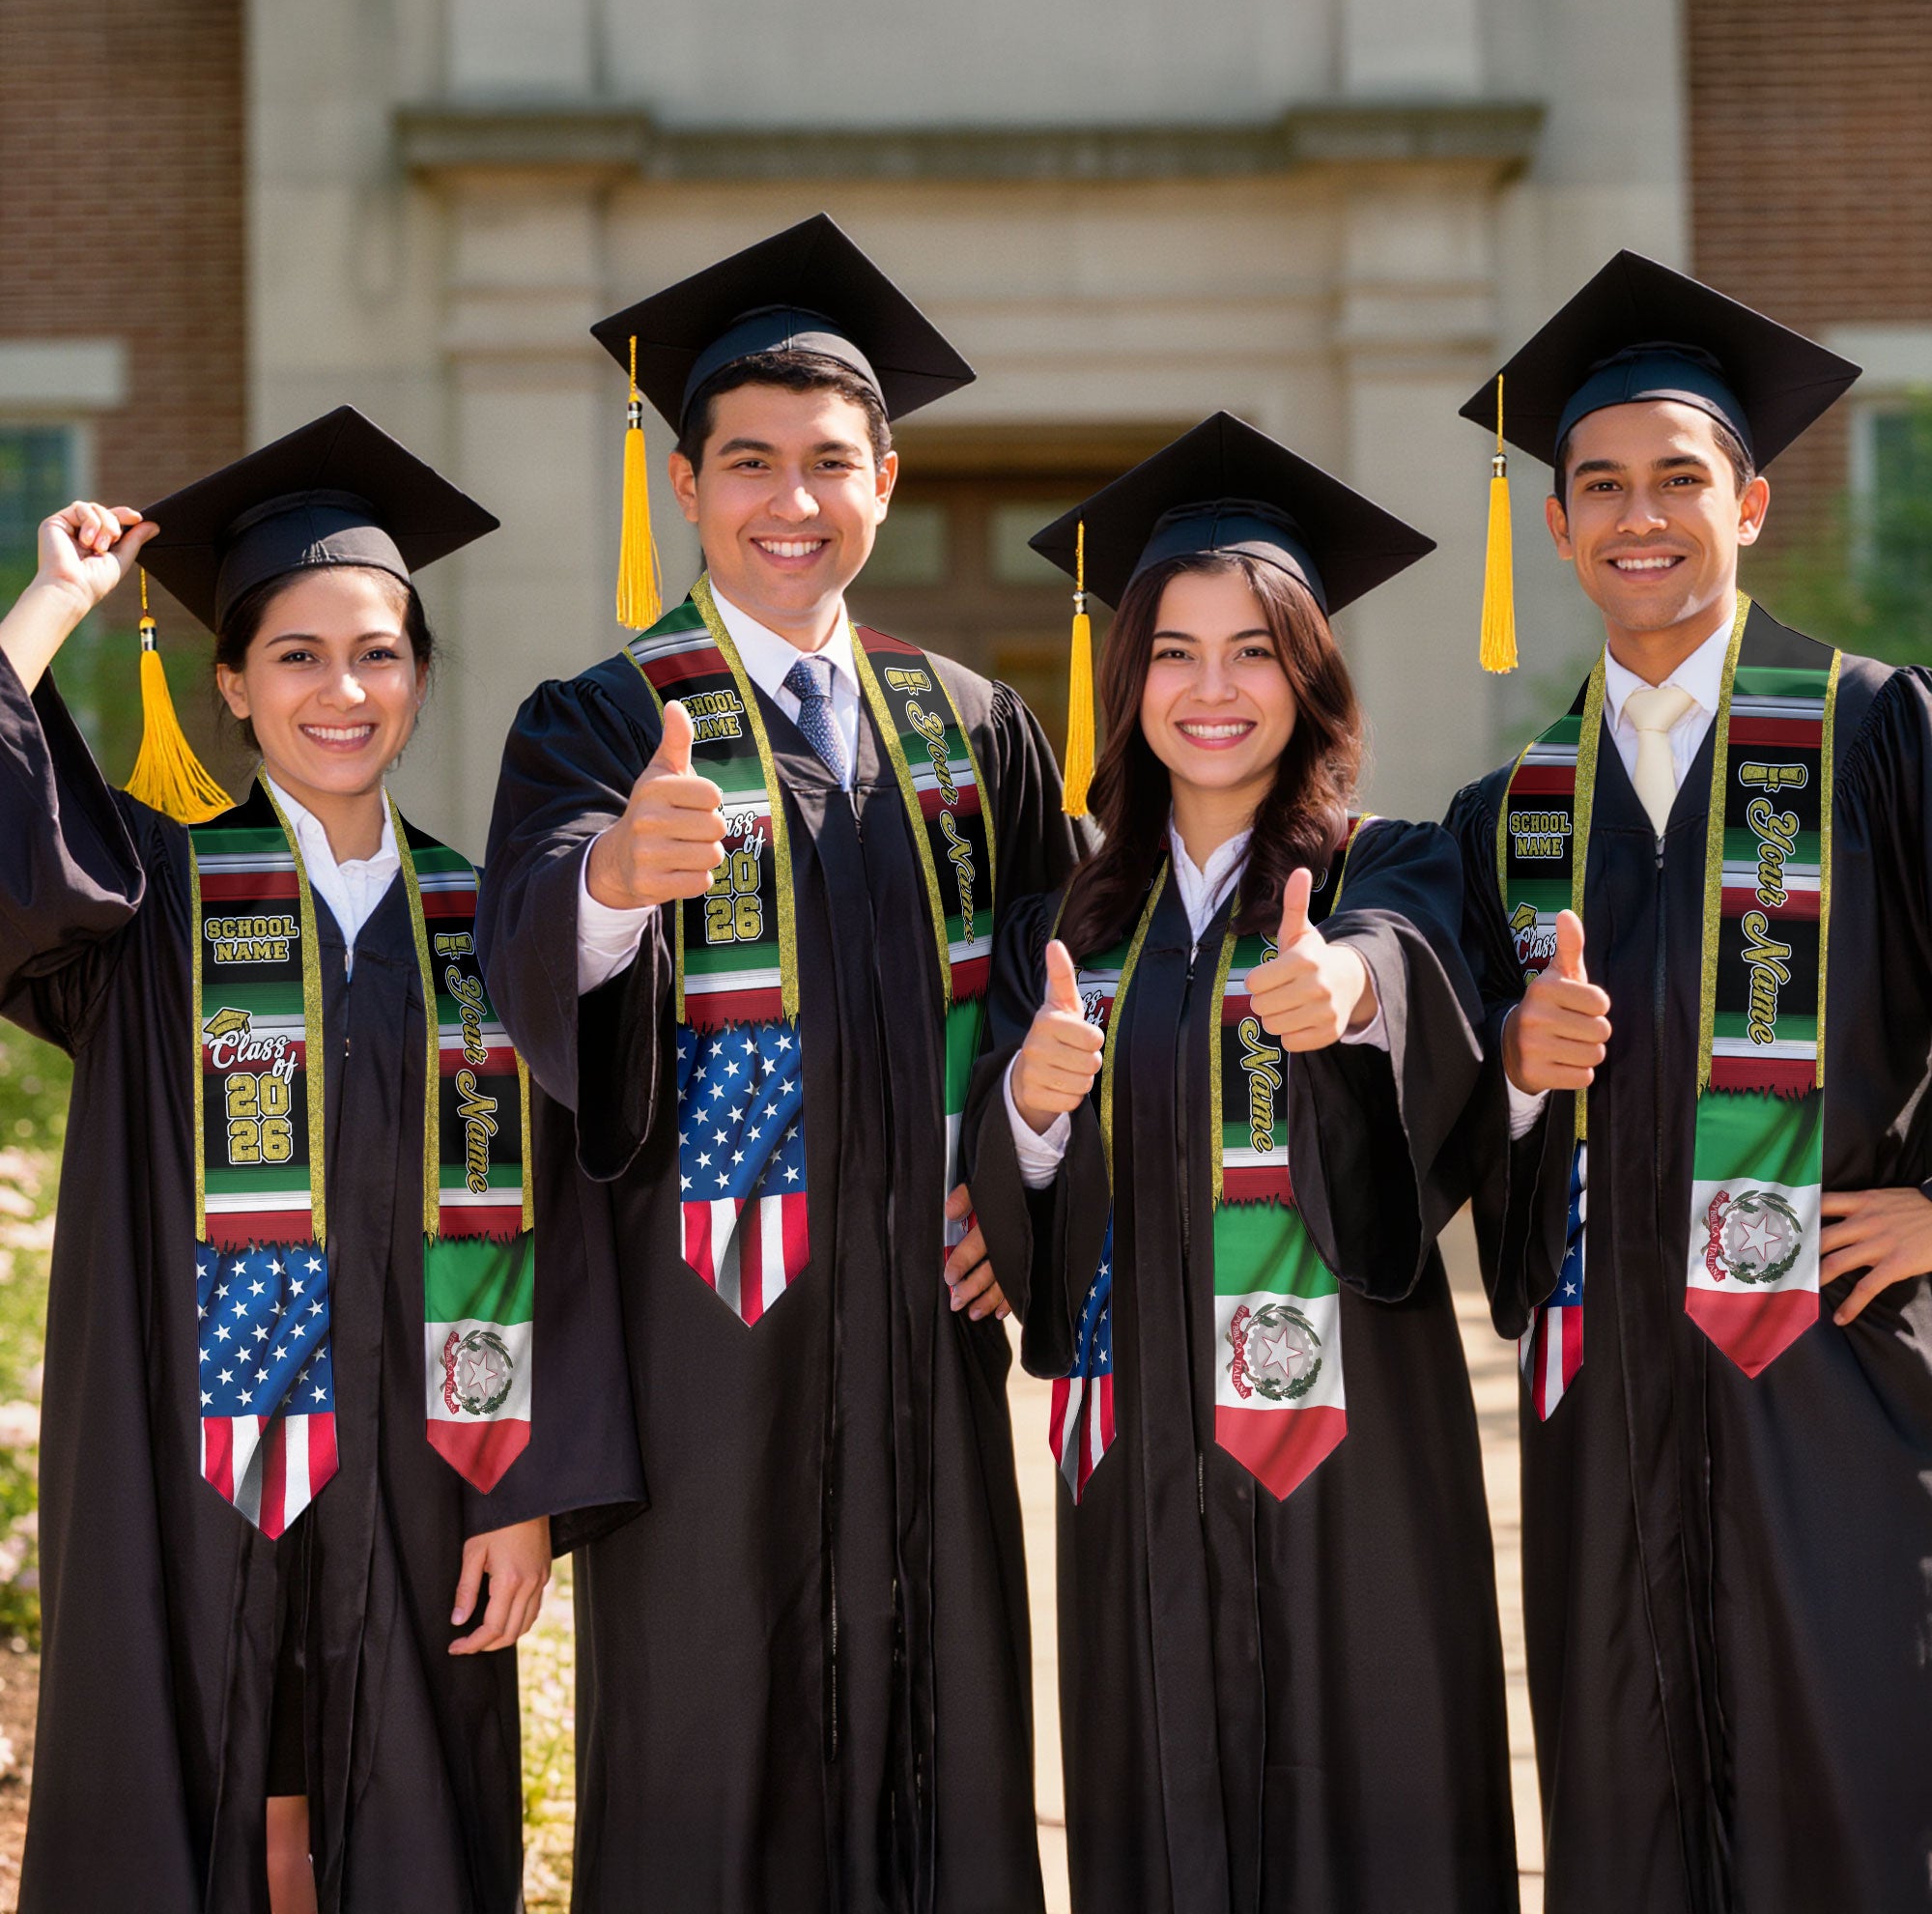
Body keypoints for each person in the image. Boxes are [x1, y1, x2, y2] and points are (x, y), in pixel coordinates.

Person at [477, 214, 1083, 1913]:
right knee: (709, 1758)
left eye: (831, 462)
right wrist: (610, 881)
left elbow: (1074, 988)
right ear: (686, 485)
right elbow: (523, 953)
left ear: (886, 479)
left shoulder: (972, 725)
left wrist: (1021, 1180)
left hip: (925, 1336)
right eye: (749, 463)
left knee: (943, 1743)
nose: (790, 501)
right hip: (706, 1348)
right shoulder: (600, 720)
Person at [0, 407, 641, 1914]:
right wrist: (51, 606)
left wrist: (526, 1487)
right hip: (186, 1463)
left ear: (419, 676)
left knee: (408, 1813)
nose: (340, 690)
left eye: (378, 652)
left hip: (431, 1469)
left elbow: (568, 1223)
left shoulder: (495, 924)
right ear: (230, 683)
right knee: (192, 1786)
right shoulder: (150, 898)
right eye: (295, 655)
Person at [964, 413, 1518, 1913]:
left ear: (1311, 674)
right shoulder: (1064, 928)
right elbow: (1015, 1194)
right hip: (1140, 1447)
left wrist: (1347, 996)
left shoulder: (1389, 866)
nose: (1214, 690)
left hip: (1355, 1453)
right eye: (1175, 652)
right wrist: (1026, 1101)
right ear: (1127, 678)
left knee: (1377, 1799)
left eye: (1256, 650)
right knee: (1162, 1801)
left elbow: (1411, 973)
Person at [1446, 251, 1932, 1913]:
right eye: (1599, 486)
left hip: (1833, 1385)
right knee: (1624, 1799)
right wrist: (1512, 1072)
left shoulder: (1874, 734)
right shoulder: (1507, 811)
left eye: (1678, 479)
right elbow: (1445, 1119)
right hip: (1605, 1403)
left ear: (1752, 502)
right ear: (1561, 525)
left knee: (1853, 1788)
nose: (1637, 516)